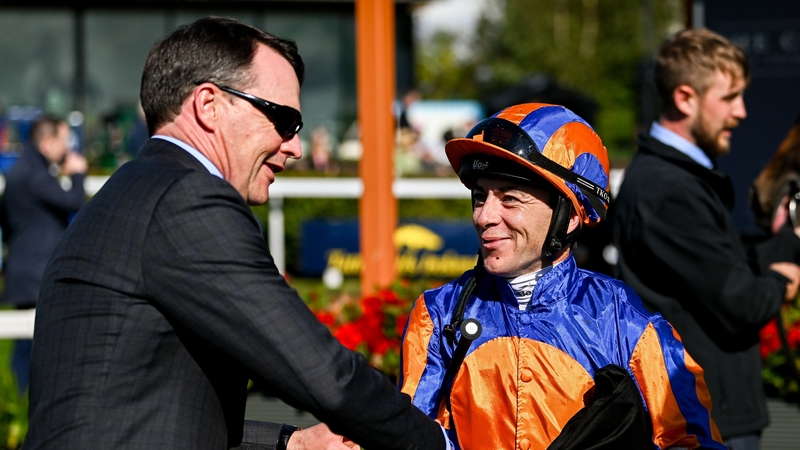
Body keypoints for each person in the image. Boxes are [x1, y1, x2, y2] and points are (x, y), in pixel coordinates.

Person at [25, 17, 446, 450]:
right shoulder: (187, 198)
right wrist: (436, 443)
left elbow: (149, 408)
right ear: (208, 105)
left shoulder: (134, 192)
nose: (295, 146)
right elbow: (323, 372)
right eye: (284, 120)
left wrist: (290, 444)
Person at [398, 103, 726, 449]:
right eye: (480, 197)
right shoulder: (437, 314)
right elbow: (409, 435)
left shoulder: (625, 321)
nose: (484, 216)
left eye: (510, 199)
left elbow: (691, 441)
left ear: (569, 217)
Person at [612, 28, 800, 450]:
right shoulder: (667, 189)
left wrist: (788, 239)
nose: (742, 112)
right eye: (730, 97)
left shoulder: (680, 179)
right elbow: (741, 302)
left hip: (710, 412)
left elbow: (721, 271)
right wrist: (782, 281)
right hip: (704, 421)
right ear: (684, 98)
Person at [1, 115, 87, 394]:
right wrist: (77, 174)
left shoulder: (20, 170)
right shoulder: (35, 173)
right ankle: (21, 414)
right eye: (64, 141)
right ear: (47, 141)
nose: (68, 149)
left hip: (25, 270)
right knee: (31, 352)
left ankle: (18, 412)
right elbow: (74, 202)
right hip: (36, 275)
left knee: (27, 351)